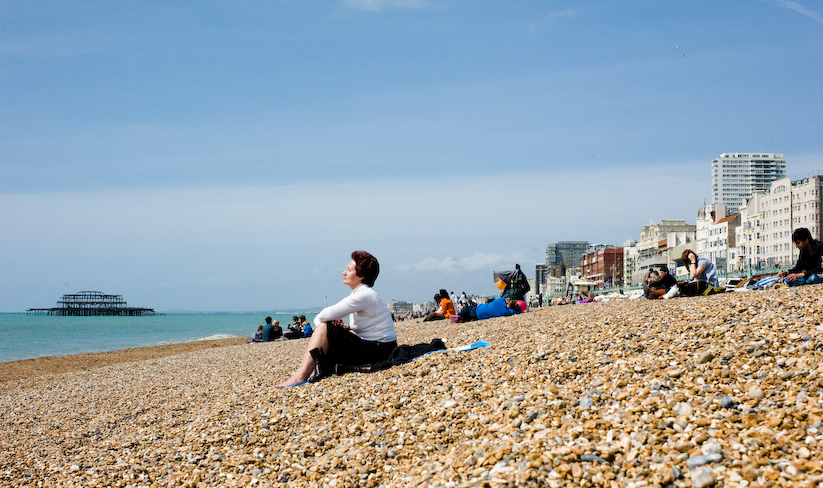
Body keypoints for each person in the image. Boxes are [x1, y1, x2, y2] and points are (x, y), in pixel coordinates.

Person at [275, 251, 397, 387]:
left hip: (378, 351)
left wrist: (327, 326)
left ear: (361, 276)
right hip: (380, 348)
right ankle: (312, 370)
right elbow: (368, 325)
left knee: (324, 326)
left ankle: (300, 376)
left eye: (349, 270)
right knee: (327, 328)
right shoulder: (364, 294)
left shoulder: (363, 295)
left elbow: (321, 316)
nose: (344, 272)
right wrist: (339, 326)